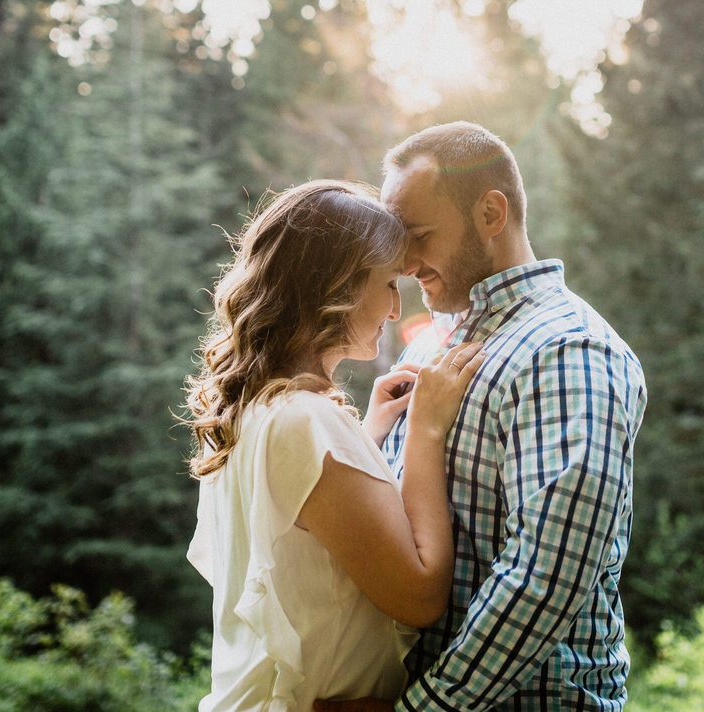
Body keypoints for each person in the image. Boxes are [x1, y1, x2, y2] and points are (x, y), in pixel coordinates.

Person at [319, 122, 647, 712]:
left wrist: (419, 710)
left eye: (418, 235)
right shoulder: (430, 346)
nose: (405, 262)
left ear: (492, 214)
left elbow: (546, 577)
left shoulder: (568, 351)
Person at [184, 180, 486, 712]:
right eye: (390, 283)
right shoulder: (306, 422)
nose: (396, 309)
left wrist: (365, 437)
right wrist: (426, 431)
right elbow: (418, 596)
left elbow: (295, 527)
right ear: (338, 285)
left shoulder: (253, 409)